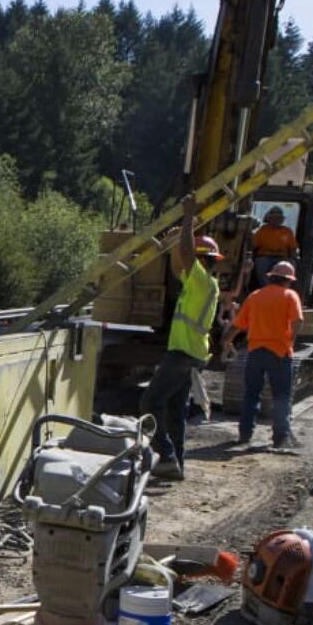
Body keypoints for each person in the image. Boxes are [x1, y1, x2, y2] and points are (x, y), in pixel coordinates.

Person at [139, 194, 221, 481]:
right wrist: (177, 240)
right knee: (175, 410)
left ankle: (167, 456)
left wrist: (188, 217)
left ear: (202, 260)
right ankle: (176, 466)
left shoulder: (201, 280)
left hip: (184, 352)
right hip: (191, 352)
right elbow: (178, 265)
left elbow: (186, 257)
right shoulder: (203, 283)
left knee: (150, 403)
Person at [221, 260, 304, 449]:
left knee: (251, 394)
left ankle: (245, 434)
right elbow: (298, 321)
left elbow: (237, 324)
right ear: (288, 280)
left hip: (256, 352)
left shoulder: (255, 296)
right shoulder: (290, 296)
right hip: (280, 352)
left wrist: (226, 340)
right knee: (281, 396)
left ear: (272, 277)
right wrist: (290, 341)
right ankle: (280, 438)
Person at [250, 206, 299, 288]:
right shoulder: (262, 231)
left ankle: (285, 287)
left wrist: (294, 259)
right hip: (265, 257)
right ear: (268, 219)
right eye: (273, 217)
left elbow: (293, 248)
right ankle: (266, 288)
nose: (276, 220)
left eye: (278, 218)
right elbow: (253, 246)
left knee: (291, 264)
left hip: (282, 258)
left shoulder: (287, 231)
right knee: (260, 262)